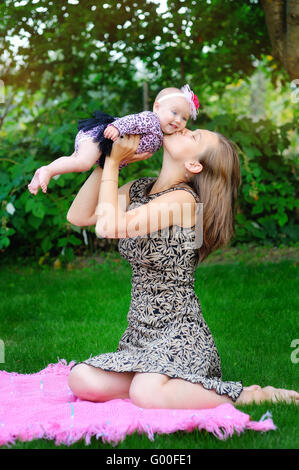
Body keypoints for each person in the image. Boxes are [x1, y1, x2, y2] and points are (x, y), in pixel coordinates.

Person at [66, 130, 299, 409]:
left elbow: (109, 227)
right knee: (81, 379)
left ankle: (249, 395)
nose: (183, 128)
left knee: (146, 392)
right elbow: (78, 216)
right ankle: (164, 388)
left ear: (194, 165)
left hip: (182, 335)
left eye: (194, 136)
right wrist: (107, 160)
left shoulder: (184, 201)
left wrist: (115, 166)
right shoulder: (138, 189)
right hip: (140, 335)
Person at [27, 84, 199, 195]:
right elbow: (132, 120)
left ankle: (43, 173)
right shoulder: (150, 119)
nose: (178, 120)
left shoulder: (162, 137)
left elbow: (129, 153)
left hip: (104, 147)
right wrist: (117, 128)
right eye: (174, 113)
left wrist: (118, 163)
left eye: (184, 118)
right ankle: (47, 170)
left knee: (76, 161)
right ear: (157, 107)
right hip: (100, 135)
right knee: (83, 163)